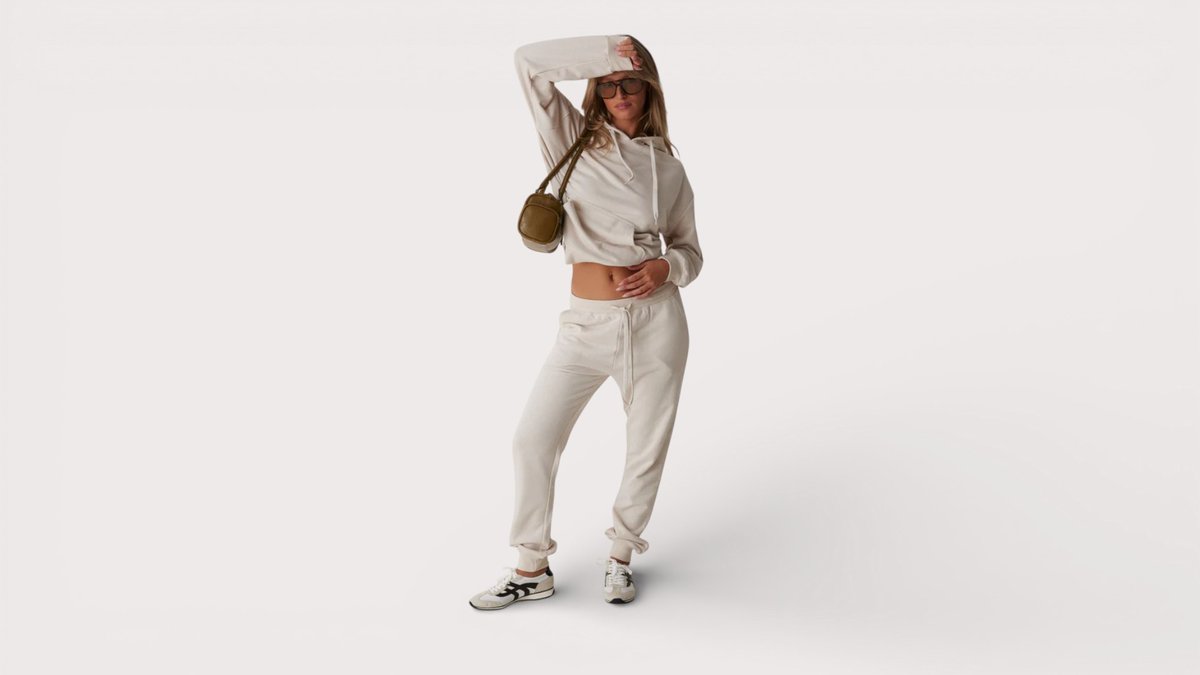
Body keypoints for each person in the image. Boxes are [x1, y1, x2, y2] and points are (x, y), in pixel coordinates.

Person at [469, 34, 703, 610]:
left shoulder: (669, 168)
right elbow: (528, 65)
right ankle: (531, 566)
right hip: (584, 325)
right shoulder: (573, 140)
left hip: (656, 322)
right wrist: (608, 52)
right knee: (533, 438)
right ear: (596, 90)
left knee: (645, 447)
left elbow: (691, 251)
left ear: (649, 90)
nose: (620, 92)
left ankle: (621, 556)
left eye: (630, 82)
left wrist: (665, 267)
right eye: (608, 84)